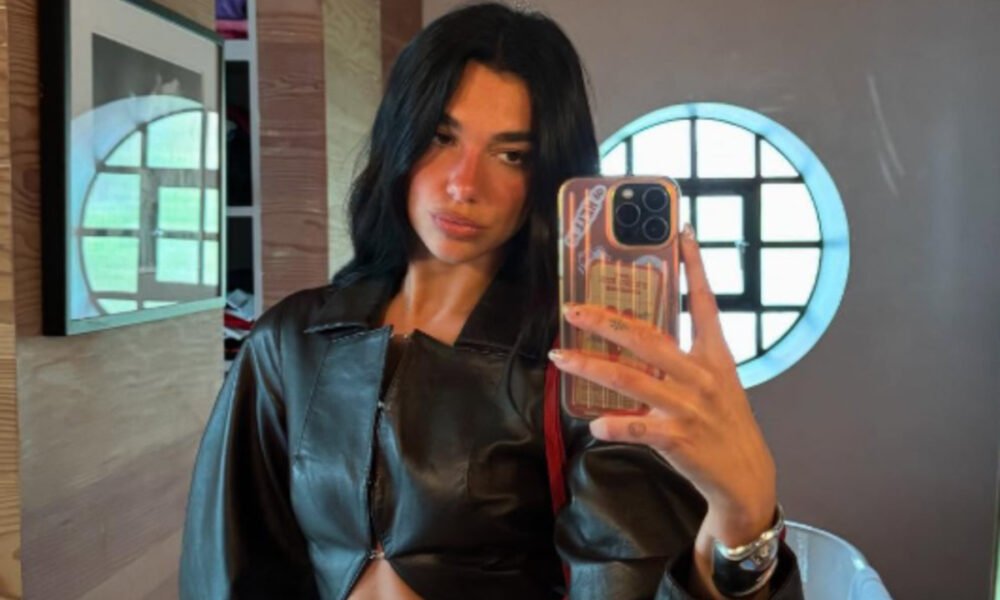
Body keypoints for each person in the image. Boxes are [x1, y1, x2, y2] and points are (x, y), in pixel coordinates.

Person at [180, 3, 804, 599]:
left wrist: (743, 516)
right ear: (398, 136)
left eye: (511, 155)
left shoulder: (582, 367)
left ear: (547, 176)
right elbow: (229, 571)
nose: (464, 184)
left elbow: (625, 582)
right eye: (441, 136)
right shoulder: (290, 342)